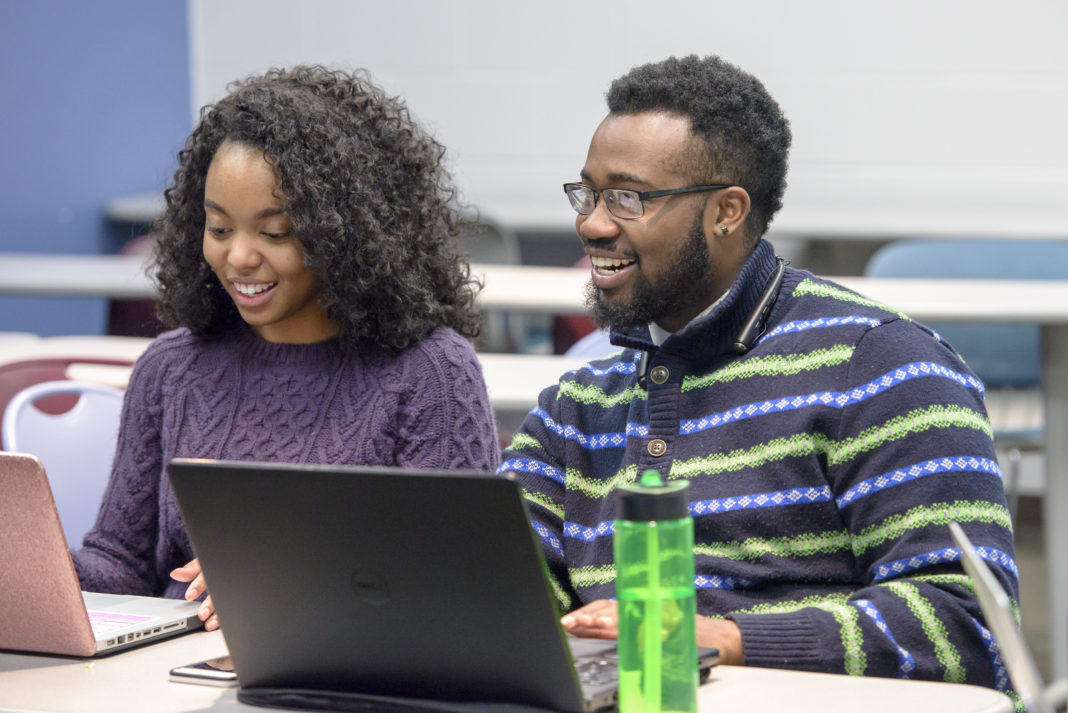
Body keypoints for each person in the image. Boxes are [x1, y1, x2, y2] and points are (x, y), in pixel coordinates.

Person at [499, 55, 1016, 691]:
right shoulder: (576, 405)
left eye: (627, 198)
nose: (592, 224)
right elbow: (498, 600)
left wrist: (727, 640)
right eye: (588, 193)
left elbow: (968, 624)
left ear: (726, 211)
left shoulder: (881, 365)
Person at [74, 66, 500, 629]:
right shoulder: (171, 370)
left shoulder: (430, 374)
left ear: (347, 234)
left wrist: (294, 579)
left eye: (275, 233)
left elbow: (456, 581)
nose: (240, 257)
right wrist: (37, 571)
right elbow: (119, 564)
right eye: (220, 229)